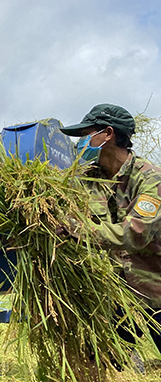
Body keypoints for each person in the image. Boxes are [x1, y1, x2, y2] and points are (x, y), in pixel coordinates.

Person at [60, 103, 161, 354]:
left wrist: (76, 230)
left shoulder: (150, 179)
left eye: (87, 134)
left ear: (108, 134)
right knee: (104, 359)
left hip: (156, 288)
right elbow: (68, 217)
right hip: (119, 293)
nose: (81, 142)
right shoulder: (87, 179)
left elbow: (135, 233)